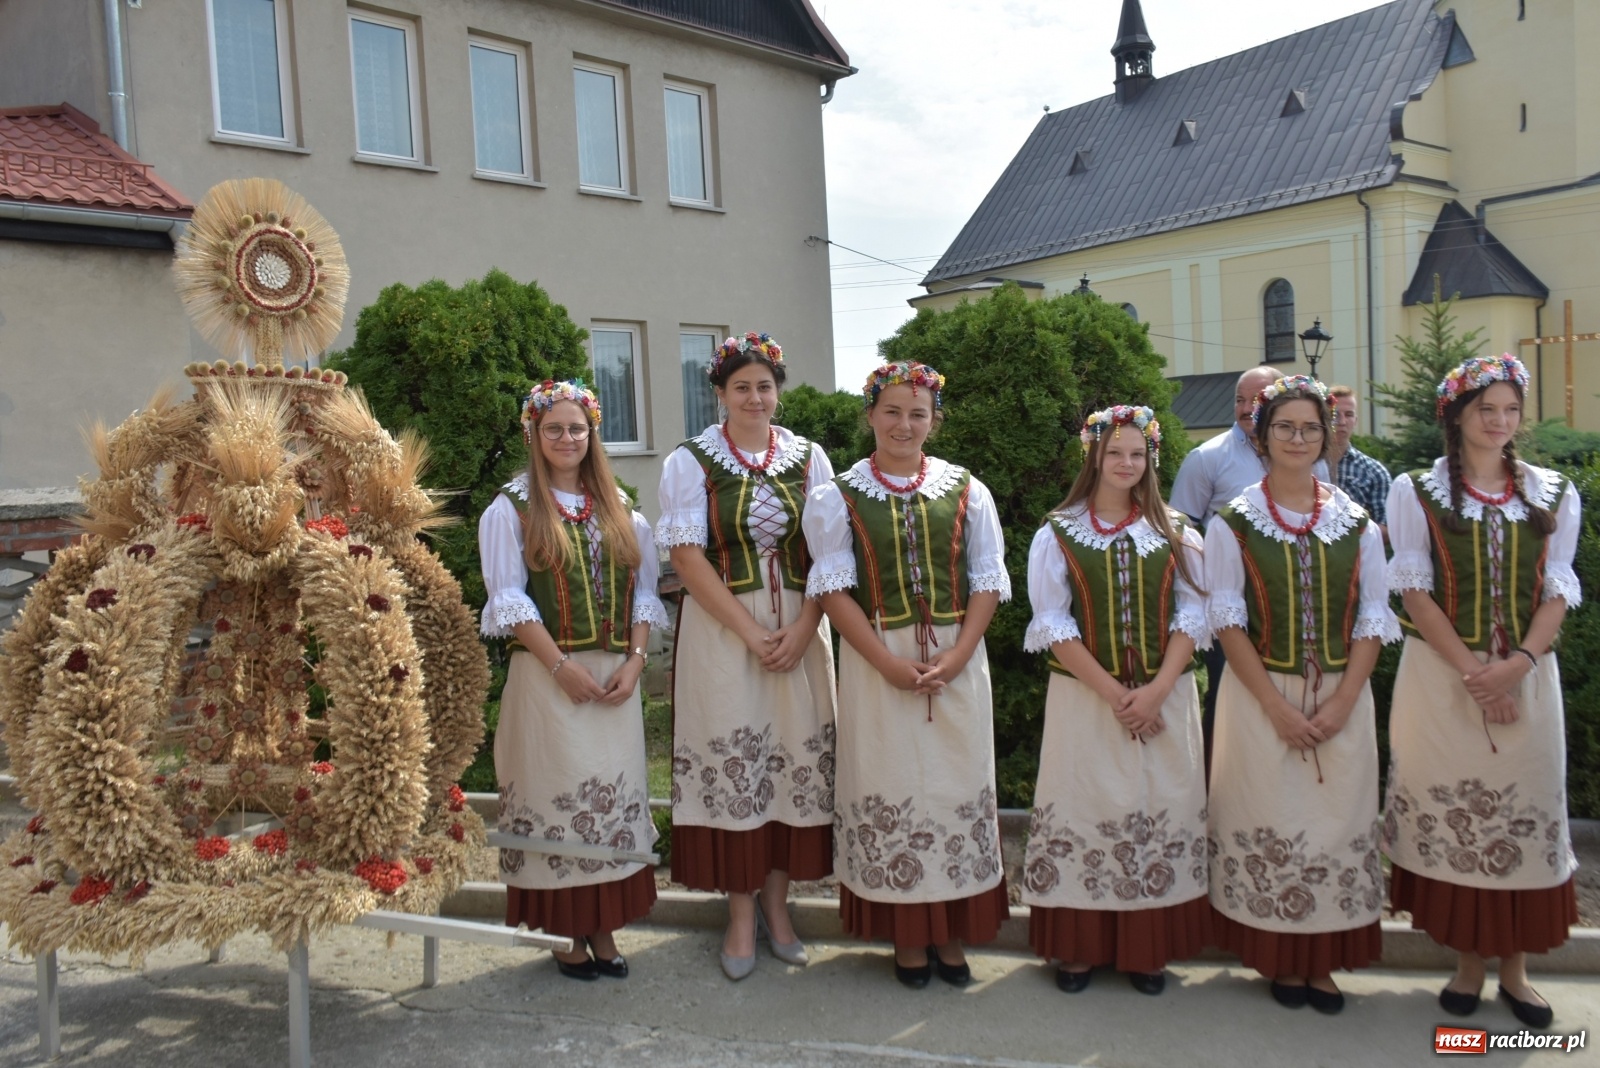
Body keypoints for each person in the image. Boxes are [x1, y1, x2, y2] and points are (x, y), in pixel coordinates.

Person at [1381, 355, 1581, 1030]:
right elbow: (1414, 590)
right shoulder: (1418, 491)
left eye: (1510, 411)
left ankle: (1517, 975)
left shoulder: (1553, 492)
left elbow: (1557, 589)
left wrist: (1516, 664)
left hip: (1526, 679)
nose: (1499, 423)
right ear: (1457, 417)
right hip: (1442, 680)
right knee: (1458, 814)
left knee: (1525, 812)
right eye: (1485, 410)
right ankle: (1467, 964)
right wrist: (1476, 673)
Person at [802, 359, 1010, 989]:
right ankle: (908, 939)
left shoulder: (968, 490)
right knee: (892, 787)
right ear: (869, 415)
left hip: (956, 665)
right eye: (891, 411)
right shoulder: (834, 495)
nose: (904, 423)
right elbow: (834, 591)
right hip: (876, 663)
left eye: (917, 413)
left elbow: (987, 580)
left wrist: (958, 653)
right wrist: (888, 663)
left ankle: (950, 935)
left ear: (934, 421)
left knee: (953, 790)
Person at [1204, 374, 1398, 1014]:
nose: (1298, 437)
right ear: (1260, 436)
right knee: (1271, 818)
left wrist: (1342, 702)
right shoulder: (1234, 522)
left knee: (1333, 825)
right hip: (1261, 698)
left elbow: (1374, 615)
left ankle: (1322, 962)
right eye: (1284, 426)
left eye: (1310, 427)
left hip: (1343, 694)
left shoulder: (1357, 522)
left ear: (1327, 434)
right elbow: (1227, 621)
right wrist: (1277, 707)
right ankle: (1279, 959)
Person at [657, 332, 837, 981]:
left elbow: (829, 556)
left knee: (791, 763)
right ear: (720, 393)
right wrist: (749, 630)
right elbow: (686, 556)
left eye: (764, 386)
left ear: (777, 392)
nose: (755, 398)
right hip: (722, 635)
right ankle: (739, 916)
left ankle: (779, 910)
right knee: (738, 766)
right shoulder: (691, 462)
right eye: (742, 387)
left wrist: (802, 625)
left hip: (800, 632)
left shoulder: (811, 458)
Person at [478, 379, 668, 981]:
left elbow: (643, 595)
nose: (566, 438)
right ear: (533, 434)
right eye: (554, 428)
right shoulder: (509, 509)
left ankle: (603, 926)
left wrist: (636, 663)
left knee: (608, 799)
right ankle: (567, 931)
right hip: (547, 679)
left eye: (577, 428)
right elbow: (508, 599)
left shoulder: (620, 510)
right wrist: (561, 666)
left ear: (592, 435)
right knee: (557, 797)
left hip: (615, 680)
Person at [1020, 405, 1212, 997]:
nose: (1127, 463)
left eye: (1138, 453)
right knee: (1087, 809)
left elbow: (1195, 612)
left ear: (1151, 459)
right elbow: (1052, 622)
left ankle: (1146, 948)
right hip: (1086, 703)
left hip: (1165, 697)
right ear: (1094, 456)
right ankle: (1078, 949)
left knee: (1157, 807)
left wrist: (1155, 692)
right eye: (1115, 452)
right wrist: (1114, 694)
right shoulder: (1058, 532)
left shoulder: (1176, 530)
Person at [1170, 366, 1330, 758]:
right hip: (1233, 603)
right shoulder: (1206, 458)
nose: (1246, 407)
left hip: (1300, 603)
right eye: (1239, 399)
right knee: (1231, 694)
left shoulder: (1313, 460)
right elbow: (1179, 529)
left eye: (1254, 399)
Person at [1325, 384, 1392, 529]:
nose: (1342, 422)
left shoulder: (1374, 471)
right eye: (1335, 415)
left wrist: (1350, 541)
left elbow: (1386, 525)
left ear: (1355, 420)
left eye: (1349, 415)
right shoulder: (1304, 465)